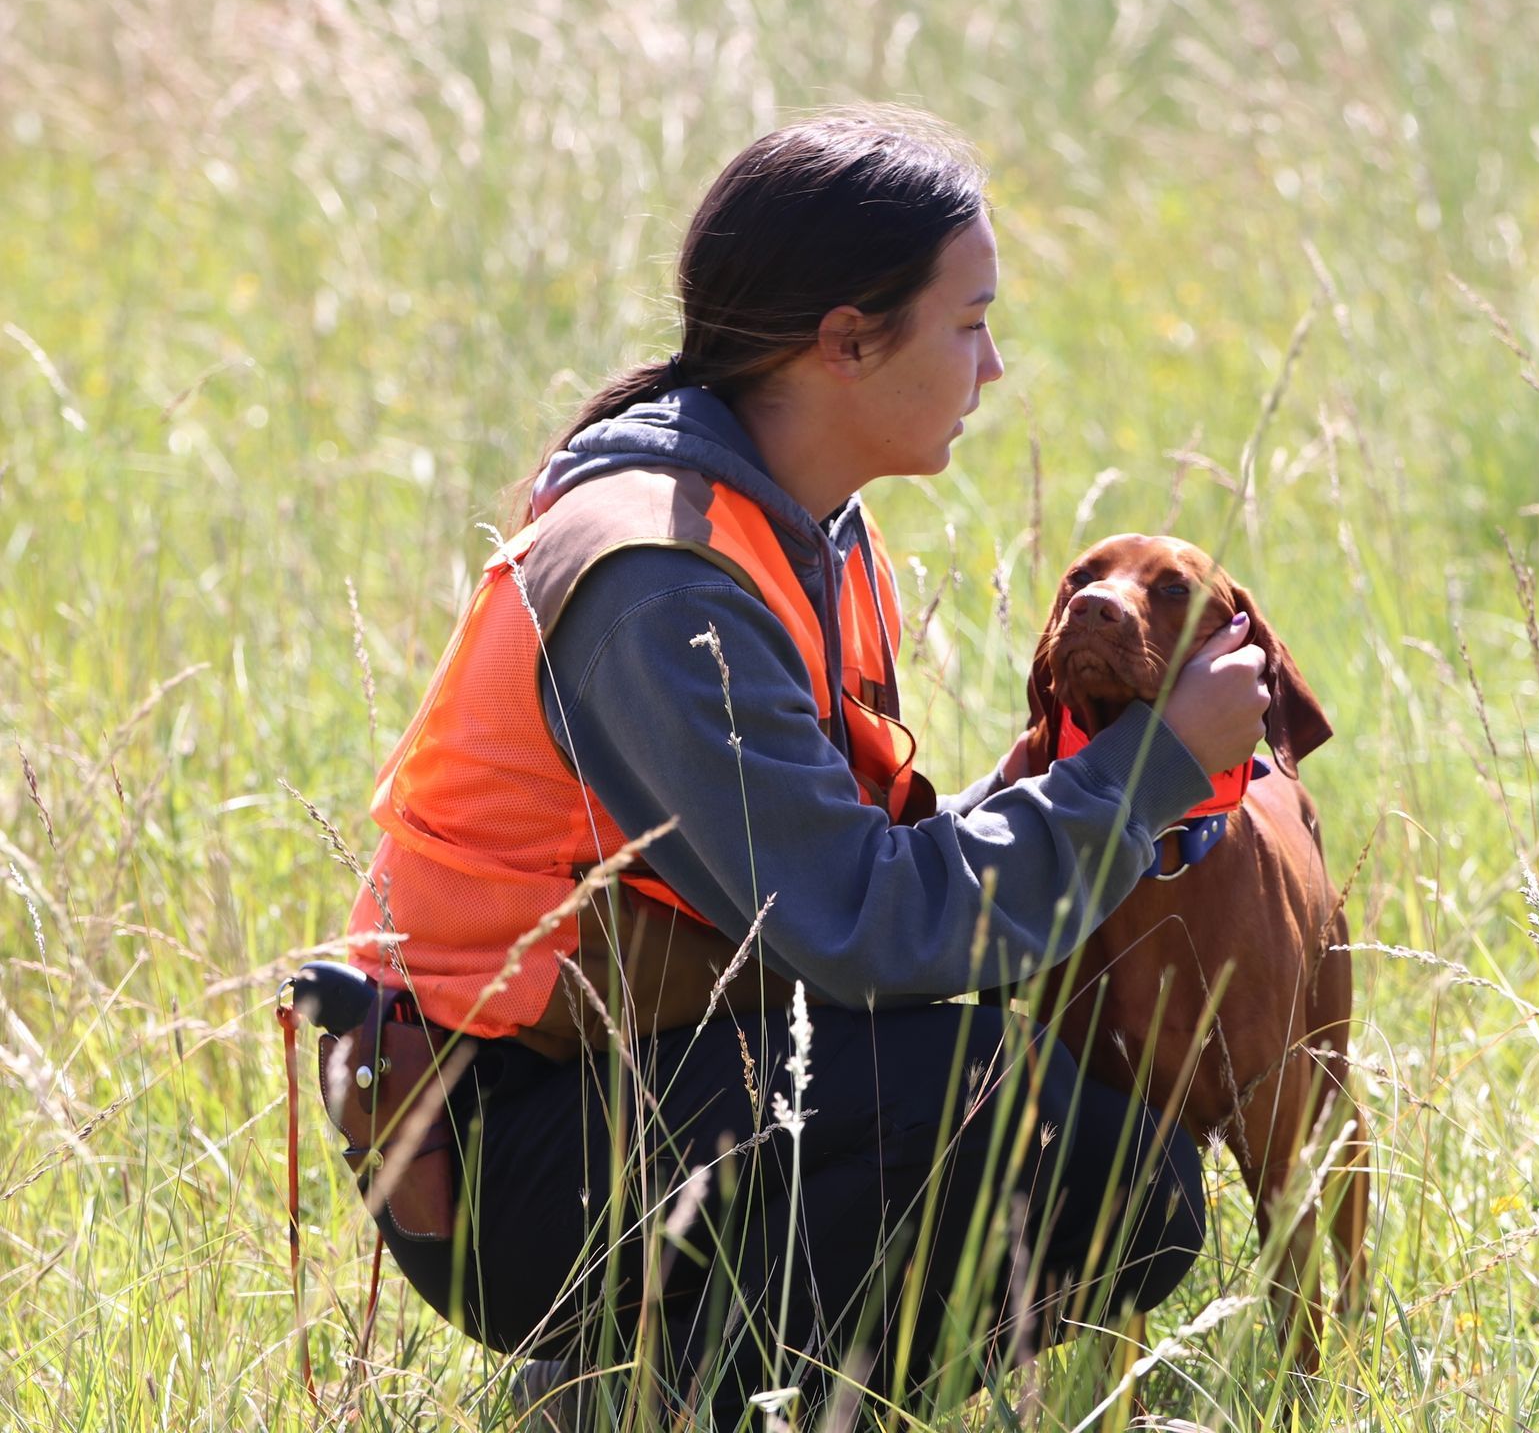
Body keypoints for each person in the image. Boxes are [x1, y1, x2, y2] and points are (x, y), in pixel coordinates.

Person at [341, 106, 1273, 1428]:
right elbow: (856, 924)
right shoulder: (662, 578)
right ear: (846, 341)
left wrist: (1091, 785)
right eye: (968, 322)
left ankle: (665, 1390)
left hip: (640, 1067)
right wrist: (1146, 779)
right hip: (494, 1142)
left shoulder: (811, 536)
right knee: (1087, 1164)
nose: (994, 364)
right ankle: (644, 1402)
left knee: (1112, 1165)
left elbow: (856, 869)